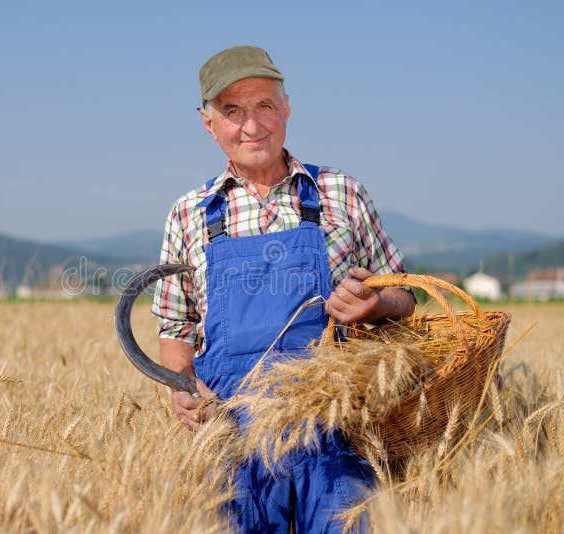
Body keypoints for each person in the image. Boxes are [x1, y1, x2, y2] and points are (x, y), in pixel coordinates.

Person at [152, 45, 415, 533]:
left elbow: (407, 296)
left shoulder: (343, 193)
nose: (252, 126)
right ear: (209, 124)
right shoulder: (188, 213)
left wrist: (378, 304)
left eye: (265, 107)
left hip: (338, 435)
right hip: (234, 439)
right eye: (233, 112)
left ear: (287, 109)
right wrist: (182, 389)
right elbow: (175, 326)